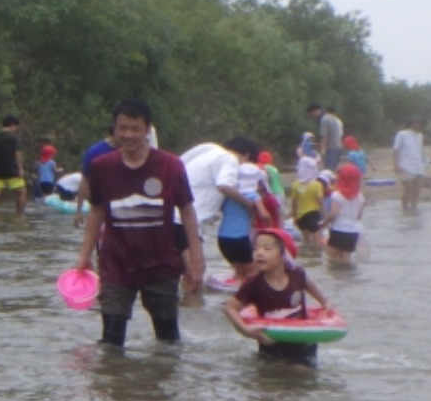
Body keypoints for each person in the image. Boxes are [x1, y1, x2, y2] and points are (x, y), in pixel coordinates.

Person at [73, 99, 204, 347]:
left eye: (135, 128)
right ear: (114, 129)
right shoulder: (102, 166)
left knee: (168, 342)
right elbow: (97, 211)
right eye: (122, 128)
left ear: (147, 130)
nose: (128, 135)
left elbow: (187, 211)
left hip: (161, 264)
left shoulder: (170, 166)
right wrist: (84, 255)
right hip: (115, 265)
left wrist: (196, 259)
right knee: (111, 341)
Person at [223, 226, 333, 367]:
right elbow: (230, 308)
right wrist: (246, 330)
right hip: (271, 344)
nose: (259, 253)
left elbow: (309, 284)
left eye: (267, 249)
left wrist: (325, 302)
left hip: (303, 342)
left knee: (302, 373)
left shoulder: (297, 274)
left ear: (283, 255)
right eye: (256, 248)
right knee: (273, 379)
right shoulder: (254, 283)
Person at [214, 136, 262, 282]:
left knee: (240, 273)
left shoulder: (230, 182)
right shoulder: (248, 189)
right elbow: (263, 212)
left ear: (245, 155)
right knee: (253, 274)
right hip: (240, 239)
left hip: (222, 238)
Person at [322, 161, 368, 265]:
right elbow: (359, 216)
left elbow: (334, 214)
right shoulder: (360, 196)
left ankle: (336, 280)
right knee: (346, 261)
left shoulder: (337, 195)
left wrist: (324, 222)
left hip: (339, 230)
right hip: (353, 232)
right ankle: (347, 279)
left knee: (331, 259)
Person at [0, 115, 28, 217]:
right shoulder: (14, 138)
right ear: (13, 125)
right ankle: (20, 214)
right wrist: (20, 169)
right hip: (12, 170)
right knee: (21, 191)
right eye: (16, 127)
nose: (16, 130)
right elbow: (17, 154)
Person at [288, 156, 328, 245]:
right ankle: (315, 256)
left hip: (300, 216)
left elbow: (294, 204)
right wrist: (325, 218)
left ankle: (306, 255)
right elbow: (321, 202)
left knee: (306, 241)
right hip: (313, 214)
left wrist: (294, 218)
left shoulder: (295, 185)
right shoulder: (317, 185)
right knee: (317, 241)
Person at [392, 117, 427, 211]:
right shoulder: (402, 134)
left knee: (417, 189)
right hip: (405, 165)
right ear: (411, 124)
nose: (418, 126)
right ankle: (405, 208)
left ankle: (414, 207)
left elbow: (420, 150)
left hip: (418, 165)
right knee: (408, 187)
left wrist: (425, 163)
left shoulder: (420, 136)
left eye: (419, 124)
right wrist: (396, 165)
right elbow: (396, 150)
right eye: (416, 123)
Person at [310, 104, 344, 171]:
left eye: (312, 114)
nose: (313, 116)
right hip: (338, 146)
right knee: (332, 170)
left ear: (316, 111)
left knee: (328, 171)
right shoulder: (332, 118)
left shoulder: (324, 120)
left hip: (332, 148)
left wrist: (323, 150)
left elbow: (324, 136)